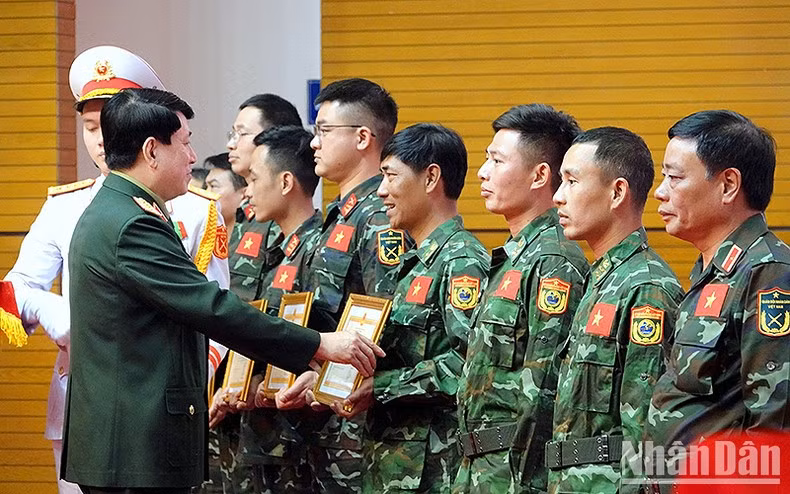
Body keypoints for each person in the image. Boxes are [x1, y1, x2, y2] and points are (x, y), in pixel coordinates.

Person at [61, 87, 384, 493]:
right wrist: (318, 344)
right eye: (185, 143)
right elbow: (211, 308)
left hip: (129, 442)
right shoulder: (131, 224)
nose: (193, 157)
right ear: (151, 150)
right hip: (134, 446)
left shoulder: (121, 209)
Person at [0, 45, 229, 494]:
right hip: (81, 395)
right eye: (90, 127)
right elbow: (15, 287)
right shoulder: (63, 206)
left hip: (163, 404)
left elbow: (217, 307)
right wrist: (54, 311)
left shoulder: (197, 208)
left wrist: (187, 389)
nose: (101, 139)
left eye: (109, 125)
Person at [329, 123, 490, 493]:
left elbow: (469, 364)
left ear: (431, 177)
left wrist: (381, 387)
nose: (382, 191)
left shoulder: (462, 262)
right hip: (390, 463)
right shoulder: (414, 262)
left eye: (390, 176)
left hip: (432, 470)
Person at [275, 78, 409, 494]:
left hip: (358, 422)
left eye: (325, 131)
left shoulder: (380, 217)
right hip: (326, 415)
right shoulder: (339, 215)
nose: (314, 143)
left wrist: (328, 381)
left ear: (363, 138)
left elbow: (388, 322)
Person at [645, 111, 790, 490]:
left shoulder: (769, 273)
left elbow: (773, 424)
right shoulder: (715, 273)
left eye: (674, 177)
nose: (660, 191)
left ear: (728, 185)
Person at [454, 104, 589, 494]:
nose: (482, 172)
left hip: (514, 475)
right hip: (481, 467)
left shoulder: (554, 260)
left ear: (540, 175)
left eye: (496, 160)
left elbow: (545, 393)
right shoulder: (516, 255)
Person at [546, 127, 684, 493]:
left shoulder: (646, 288)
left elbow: (646, 437)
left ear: (617, 192)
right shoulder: (602, 280)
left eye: (572, 181)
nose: (558, 197)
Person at [207, 94, 305, 494]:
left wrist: (256, 382)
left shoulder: (284, 223)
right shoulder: (240, 221)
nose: (232, 142)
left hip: (276, 415)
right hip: (229, 405)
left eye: (242, 133)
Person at [235, 126, 324, 493]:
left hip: (306, 440)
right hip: (266, 434)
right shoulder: (275, 251)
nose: (248, 190)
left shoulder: (320, 249)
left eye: (255, 179)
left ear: (286, 182)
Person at [226, 94, 303, 301]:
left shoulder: (282, 211)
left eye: (241, 134)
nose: (231, 145)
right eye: (231, 134)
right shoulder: (246, 209)